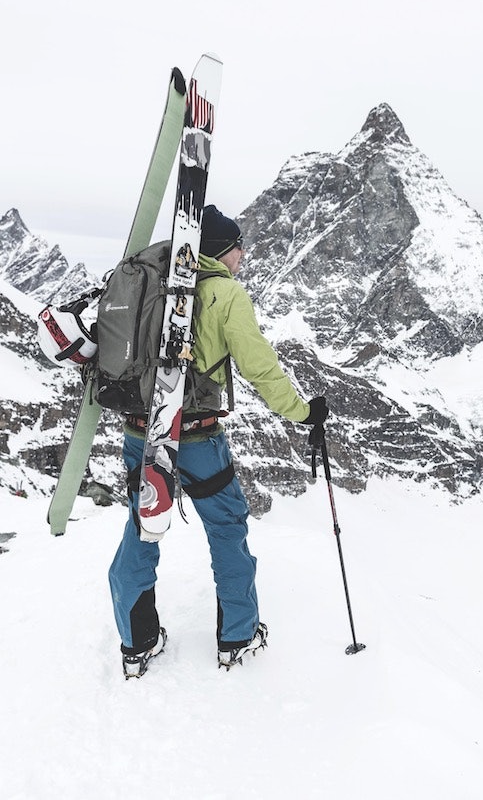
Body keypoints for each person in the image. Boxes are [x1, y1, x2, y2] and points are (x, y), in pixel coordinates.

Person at [108, 205, 329, 678]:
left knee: (143, 526)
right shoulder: (225, 295)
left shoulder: (150, 282)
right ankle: (237, 637)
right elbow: (261, 368)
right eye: (237, 247)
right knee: (227, 528)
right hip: (194, 437)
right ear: (221, 252)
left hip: (138, 430)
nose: (243, 254)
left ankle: (137, 643)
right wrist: (304, 412)